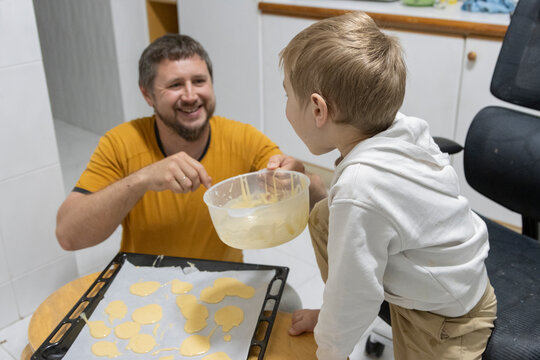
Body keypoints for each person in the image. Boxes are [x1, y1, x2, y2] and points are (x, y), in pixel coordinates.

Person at [280, 12, 497, 360]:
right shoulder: (399, 126)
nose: (286, 108)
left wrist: (329, 351)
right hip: (439, 273)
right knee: (324, 216)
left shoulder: (359, 188)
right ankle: (339, 319)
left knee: (346, 279)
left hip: (447, 322)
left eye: (288, 96)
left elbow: (353, 291)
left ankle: (341, 322)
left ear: (319, 109)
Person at [56, 34, 324, 263]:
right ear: (147, 94)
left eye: (199, 81)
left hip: (223, 282)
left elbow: (319, 196)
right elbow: (68, 235)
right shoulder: (121, 142)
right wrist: (142, 179)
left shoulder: (242, 138)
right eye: (174, 85)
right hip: (147, 282)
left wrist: (297, 178)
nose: (190, 95)